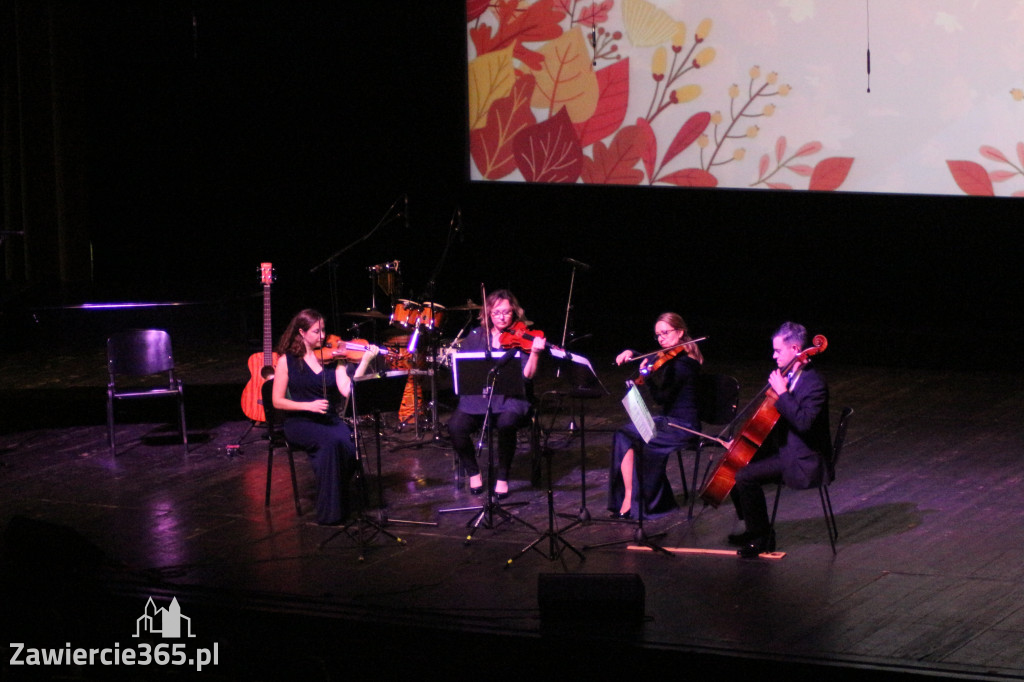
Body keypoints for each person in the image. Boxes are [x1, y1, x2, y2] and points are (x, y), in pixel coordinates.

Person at [729, 321, 832, 558]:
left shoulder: (813, 383)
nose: (773, 356)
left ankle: (762, 537)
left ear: (796, 350)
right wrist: (744, 441)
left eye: (778, 351)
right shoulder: (790, 377)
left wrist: (782, 393)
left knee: (745, 477)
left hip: (804, 458)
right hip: (787, 447)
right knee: (737, 461)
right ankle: (754, 527)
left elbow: (804, 423)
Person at [271, 309, 378, 525]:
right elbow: (277, 401)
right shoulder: (287, 361)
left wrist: (365, 361)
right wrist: (308, 406)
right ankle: (331, 513)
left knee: (347, 443)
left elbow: (348, 390)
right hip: (300, 422)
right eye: (316, 331)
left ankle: (335, 499)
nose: (322, 336)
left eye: (323, 331)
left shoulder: (333, 359)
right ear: (301, 332)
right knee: (330, 443)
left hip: (328, 419)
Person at [446, 289, 545, 498]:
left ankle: (502, 476)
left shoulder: (522, 336)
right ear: (488, 314)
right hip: (479, 397)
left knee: (507, 423)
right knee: (455, 427)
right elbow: (464, 370)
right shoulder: (475, 336)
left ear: (514, 313)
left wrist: (535, 353)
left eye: (507, 312)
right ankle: (474, 472)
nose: (502, 317)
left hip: (511, 397)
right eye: (497, 312)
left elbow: (527, 376)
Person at [608, 312, 703, 519]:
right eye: (658, 335)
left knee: (634, 436)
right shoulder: (672, 357)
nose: (661, 339)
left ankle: (641, 501)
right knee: (624, 434)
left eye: (665, 333)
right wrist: (631, 352)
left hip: (683, 427)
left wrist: (647, 378)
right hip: (668, 423)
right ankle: (629, 497)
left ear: (679, 332)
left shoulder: (685, 364)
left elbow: (661, 398)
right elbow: (651, 357)